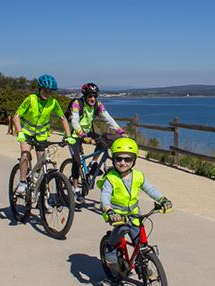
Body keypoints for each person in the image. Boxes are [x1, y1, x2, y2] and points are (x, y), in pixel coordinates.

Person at [98, 137, 172, 270]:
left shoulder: (138, 176)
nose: (123, 162)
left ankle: (141, 262)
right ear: (113, 159)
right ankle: (110, 247)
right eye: (118, 159)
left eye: (127, 159)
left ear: (134, 160)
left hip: (134, 214)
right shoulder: (111, 178)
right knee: (120, 230)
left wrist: (162, 199)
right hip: (117, 215)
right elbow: (105, 196)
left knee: (139, 240)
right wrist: (109, 210)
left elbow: (150, 189)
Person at [13, 73, 74, 195]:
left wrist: (68, 136)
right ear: (40, 89)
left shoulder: (53, 102)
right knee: (25, 154)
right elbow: (16, 116)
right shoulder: (31, 99)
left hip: (41, 134)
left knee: (42, 161)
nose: (48, 93)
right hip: (26, 132)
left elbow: (63, 119)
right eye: (45, 91)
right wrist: (19, 132)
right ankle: (23, 182)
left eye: (50, 91)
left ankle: (37, 180)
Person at [67, 82, 126, 204]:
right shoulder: (77, 104)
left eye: (95, 96)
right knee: (77, 161)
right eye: (90, 96)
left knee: (103, 141)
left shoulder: (98, 105)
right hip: (74, 134)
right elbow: (75, 122)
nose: (92, 99)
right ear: (85, 96)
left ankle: (93, 163)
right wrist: (82, 136)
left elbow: (108, 119)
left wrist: (121, 131)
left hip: (87, 132)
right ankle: (75, 188)